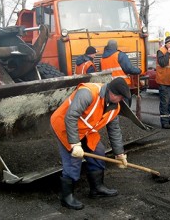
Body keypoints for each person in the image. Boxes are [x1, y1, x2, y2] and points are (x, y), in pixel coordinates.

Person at [50, 77, 130, 210]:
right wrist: (75, 144)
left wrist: (119, 153)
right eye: (121, 97)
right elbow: (71, 117)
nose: (121, 101)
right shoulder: (88, 93)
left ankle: (97, 188)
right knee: (74, 158)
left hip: (86, 129)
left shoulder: (114, 107)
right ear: (112, 93)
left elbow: (114, 129)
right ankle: (66, 197)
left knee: (98, 151)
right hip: (65, 125)